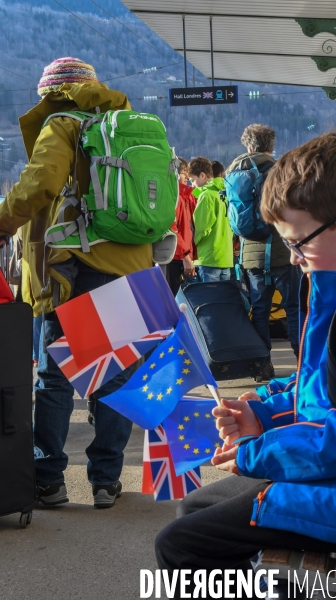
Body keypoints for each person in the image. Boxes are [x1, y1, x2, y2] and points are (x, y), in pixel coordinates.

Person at [155, 133, 336, 599]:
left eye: (297, 241)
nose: (292, 257)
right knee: (196, 507)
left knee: (182, 548)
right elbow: (321, 387)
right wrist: (261, 415)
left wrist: (256, 452)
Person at [0, 57, 153, 508]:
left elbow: (40, 182)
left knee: (55, 377)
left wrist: (4, 222)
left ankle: (48, 478)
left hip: (72, 268)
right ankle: (106, 479)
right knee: (115, 372)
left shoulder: (63, 123)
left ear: (52, 94)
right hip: (128, 267)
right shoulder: (130, 125)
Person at [227, 124, 301, 380]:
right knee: (294, 307)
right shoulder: (280, 170)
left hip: (251, 254)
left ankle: (261, 367)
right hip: (282, 251)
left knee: (259, 309)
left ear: (248, 146)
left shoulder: (234, 170)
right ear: (271, 146)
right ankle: (301, 362)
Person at [188, 156, 233, 282]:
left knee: (210, 298)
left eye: (192, 180)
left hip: (209, 257)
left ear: (202, 175)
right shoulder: (226, 193)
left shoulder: (207, 196)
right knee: (222, 299)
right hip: (226, 257)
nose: (192, 184)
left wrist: (193, 244)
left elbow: (202, 228)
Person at [166, 157, 197, 295]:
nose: (187, 176)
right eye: (184, 172)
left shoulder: (187, 196)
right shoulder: (174, 197)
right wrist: (186, 256)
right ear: (175, 174)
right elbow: (172, 229)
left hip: (182, 258)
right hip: (174, 258)